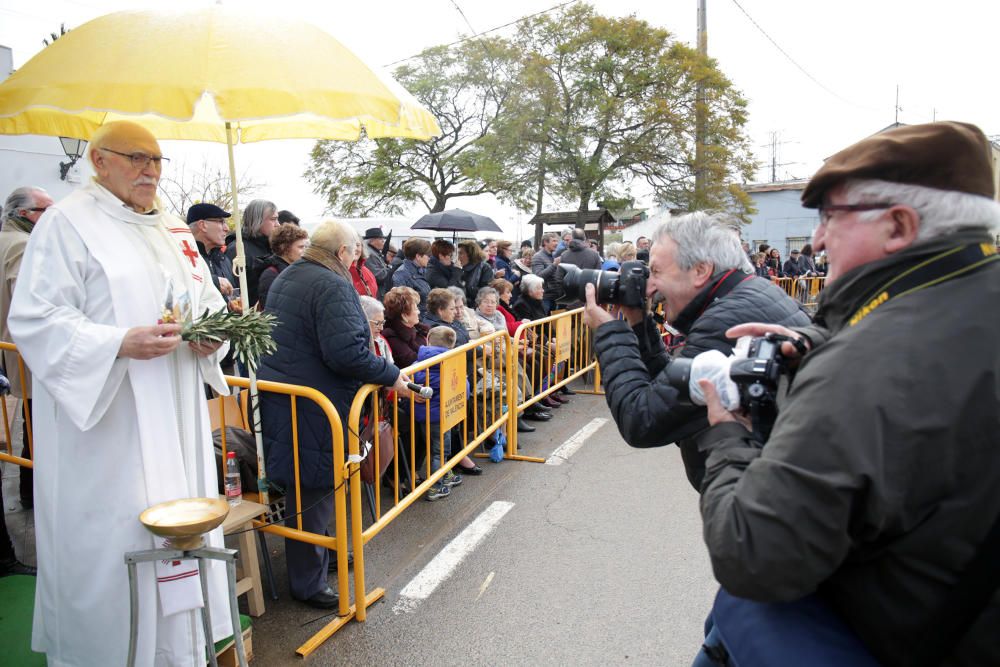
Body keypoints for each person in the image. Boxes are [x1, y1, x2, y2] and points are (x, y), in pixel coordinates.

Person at [693, 121, 1000, 666]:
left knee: (743, 609)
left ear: (899, 226)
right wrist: (817, 342)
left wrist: (727, 436)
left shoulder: (866, 367)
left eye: (831, 217)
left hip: (895, 637)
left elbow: (753, 553)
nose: (816, 240)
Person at [8, 120, 233, 664]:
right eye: (136, 158)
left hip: (175, 406)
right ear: (98, 161)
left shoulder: (171, 228)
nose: (150, 171)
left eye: (157, 161)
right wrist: (116, 342)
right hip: (111, 419)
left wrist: (211, 336)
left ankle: (180, 649)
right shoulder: (67, 225)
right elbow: (35, 319)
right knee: (117, 535)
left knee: (180, 525)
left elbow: (203, 298)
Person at [582, 212, 809, 491]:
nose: (649, 287)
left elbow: (641, 419)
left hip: (762, 504)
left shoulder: (726, 323)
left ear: (700, 270)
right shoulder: (748, 295)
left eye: (656, 271)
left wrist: (610, 333)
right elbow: (673, 387)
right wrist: (639, 324)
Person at [258, 220, 412, 609]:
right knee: (313, 487)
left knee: (313, 487)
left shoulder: (292, 274)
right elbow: (346, 353)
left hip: (294, 397)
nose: (358, 254)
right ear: (344, 252)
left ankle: (320, 556)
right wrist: (391, 374)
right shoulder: (331, 283)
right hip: (315, 402)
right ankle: (307, 582)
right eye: (356, 248)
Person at [1, 185, 53, 510]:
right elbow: (31, 297)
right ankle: (34, 493)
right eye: (44, 211)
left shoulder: (7, 239)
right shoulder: (22, 244)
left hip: (13, 349)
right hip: (27, 351)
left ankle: (29, 491)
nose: (51, 217)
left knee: (33, 426)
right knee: (39, 427)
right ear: (24, 215)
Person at [412, 326, 467, 501]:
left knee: (433, 448)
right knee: (440, 452)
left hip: (423, 415)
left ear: (428, 340)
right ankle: (434, 487)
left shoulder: (418, 363)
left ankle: (446, 475)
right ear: (451, 345)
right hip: (443, 416)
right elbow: (463, 388)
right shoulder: (451, 362)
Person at [225, 198, 279, 306]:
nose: (278, 224)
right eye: (273, 219)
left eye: (277, 219)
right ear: (257, 220)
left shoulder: (272, 246)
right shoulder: (237, 249)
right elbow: (233, 290)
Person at [187, 202, 236, 299]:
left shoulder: (223, 259)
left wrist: (233, 304)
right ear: (202, 225)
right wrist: (214, 281)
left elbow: (231, 295)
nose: (226, 228)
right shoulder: (184, 258)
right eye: (221, 222)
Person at [257, 222, 309, 309]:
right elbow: (270, 311)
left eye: (305, 247)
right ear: (284, 248)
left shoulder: (297, 270)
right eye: (300, 247)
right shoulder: (271, 275)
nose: (305, 251)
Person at [382, 286, 429, 369]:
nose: (418, 312)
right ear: (404, 316)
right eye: (415, 309)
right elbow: (411, 361)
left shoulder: (418, 329)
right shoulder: (391, 336)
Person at [392, 237, 432, 314]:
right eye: (428, 255)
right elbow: (403, 306)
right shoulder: (402, 273)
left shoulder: (422, 269)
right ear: (418, 256)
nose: (429, 258)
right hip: (416, 319)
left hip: (423, 317)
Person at [530, 232, 562, 313]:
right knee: (544, 322)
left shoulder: (554, 255)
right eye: (554, 241)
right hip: (545, 297)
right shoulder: (538, 256)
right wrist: (554, 265)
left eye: (557, 241)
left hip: (556, 296)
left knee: (554, 324)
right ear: (545, 242)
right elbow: (539, 276)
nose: (556, 243)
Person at [457, 239, 494, 307]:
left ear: (470, 254)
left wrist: (464, 285)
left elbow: (485, 292)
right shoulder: (459, 268)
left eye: (461, 253)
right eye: (458, 253)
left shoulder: (484, 267)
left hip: (476, 308)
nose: (458, 256)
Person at [363, 227, 391, 297]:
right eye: (381, 239)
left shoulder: (373, 252)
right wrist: (390, 268)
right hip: (377, 294)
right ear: (372, 240)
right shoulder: (370, 254)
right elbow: (379, 276)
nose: (383, 241)